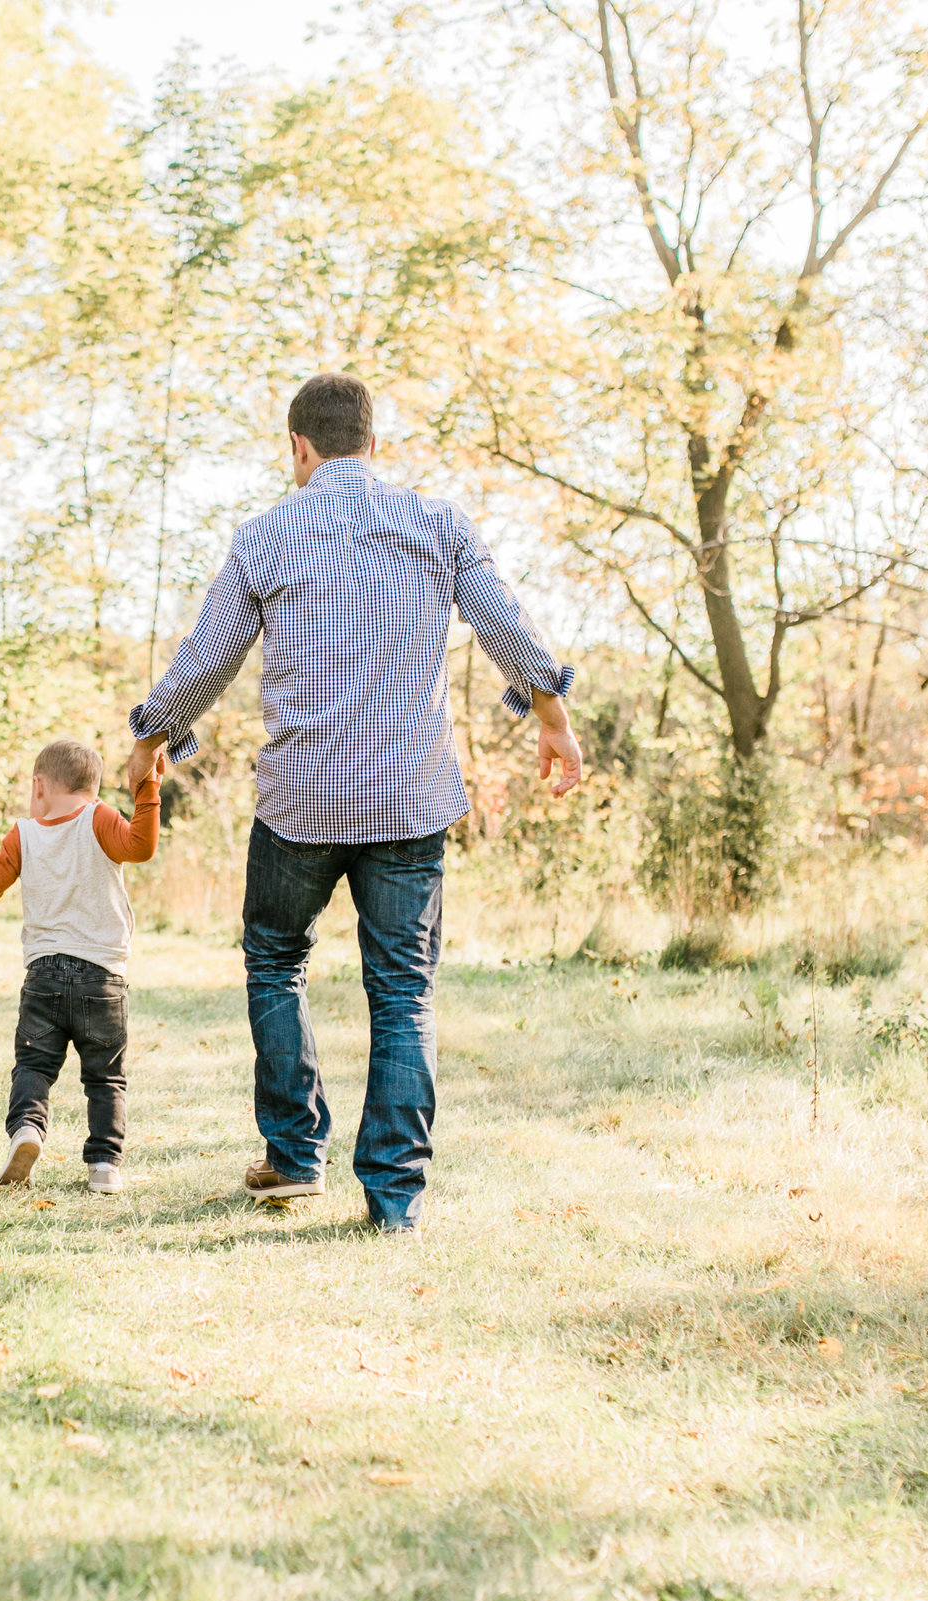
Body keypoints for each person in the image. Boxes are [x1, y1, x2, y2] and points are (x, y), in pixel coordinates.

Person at [126, 372, 583, 1232]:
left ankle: (295, 1158)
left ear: (299, 448)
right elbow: (507, 625)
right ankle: (394, 1201)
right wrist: (551, 715)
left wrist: (153, 734)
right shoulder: (437, 525)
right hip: (409, 800)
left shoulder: (265, 537)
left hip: (300, 803)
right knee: (405, 992)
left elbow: (207, 660)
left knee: (274, 959)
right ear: (374, 444)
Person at [0, 738, 162, 1195]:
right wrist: (149, 787)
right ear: (93, 785)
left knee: (34, 1066)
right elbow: (140, 847)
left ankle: (26, 1128)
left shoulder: (23, 833)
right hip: (102, 975)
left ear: (39, 785)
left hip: (42, 974)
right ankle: (104, 1165)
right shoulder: (99, 817)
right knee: (105, 1076)